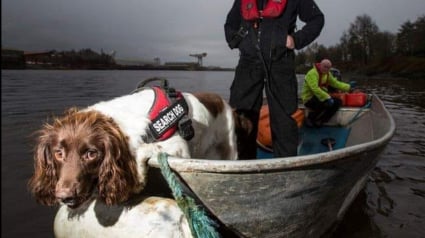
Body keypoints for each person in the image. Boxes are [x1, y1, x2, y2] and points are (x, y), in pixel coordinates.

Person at [224, 0, 325, 158]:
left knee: (284, 120)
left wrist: (296, 40)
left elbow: (317, 19)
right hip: (248, 63)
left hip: (280, 62)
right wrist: (238, 42)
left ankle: (285, 166)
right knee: (241, 117)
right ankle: (242, 165)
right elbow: (230, 24)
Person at [301, 59, 354, 127]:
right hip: (308, 99)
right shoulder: (312, 73)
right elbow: (315, 89)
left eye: (328, 68)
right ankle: (310, 119)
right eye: (325, 67)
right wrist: (328, 97)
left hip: (320, 97)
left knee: (338, 102)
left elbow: (335, 83)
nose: (326, 69)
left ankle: (321, 120)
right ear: (320, 65)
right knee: (325, 102)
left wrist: (348, 87)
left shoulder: (327, 74)